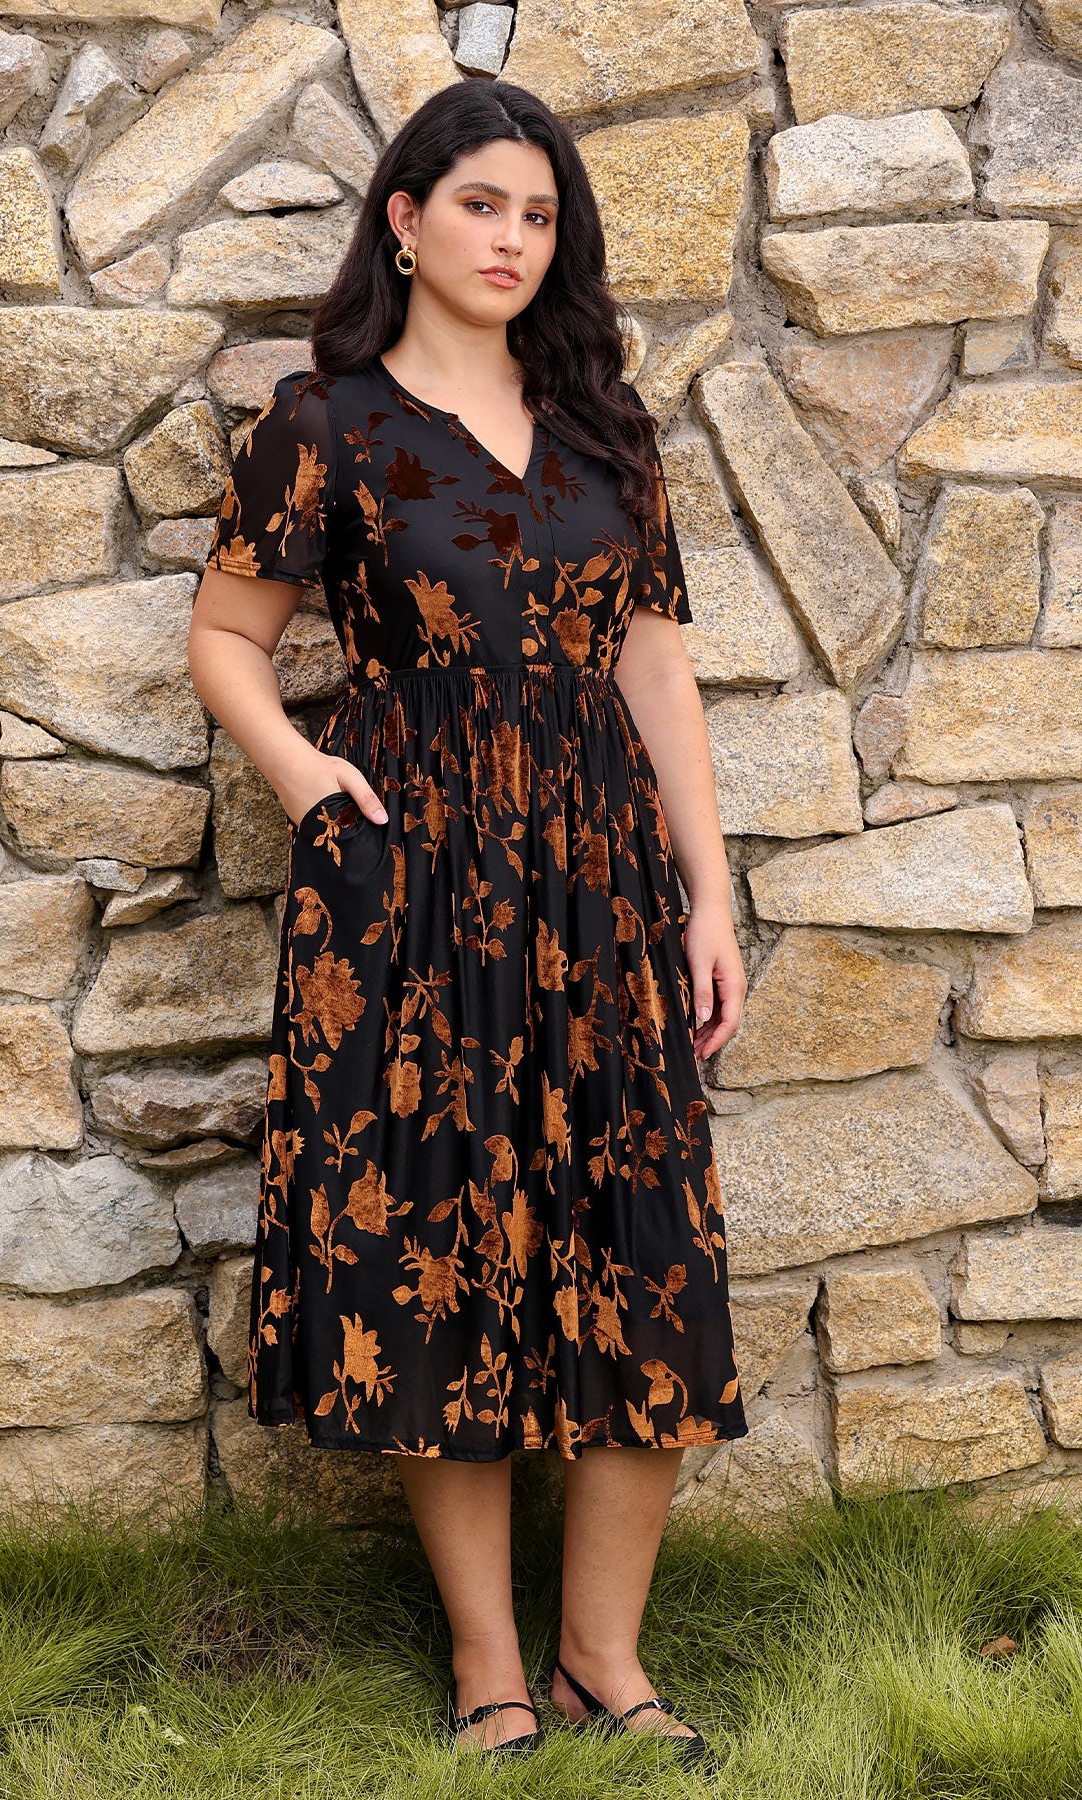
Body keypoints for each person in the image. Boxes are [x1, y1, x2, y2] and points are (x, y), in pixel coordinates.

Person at [188, 76, 749, 1767]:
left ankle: (603, 1659)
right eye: (482, 204)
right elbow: (226, 635)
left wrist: (710, 891)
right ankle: (489, 1666)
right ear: (405, 220)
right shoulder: (323, 424)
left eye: (540, 215)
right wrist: (306, 777)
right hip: (411, 887)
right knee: (441, 1254)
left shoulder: (606, 427)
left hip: (601, 886)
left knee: (643, 1249)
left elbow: (655, 667)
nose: (511, 239)